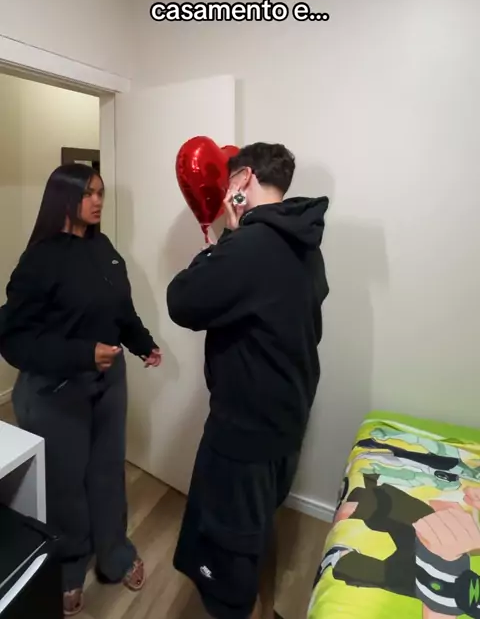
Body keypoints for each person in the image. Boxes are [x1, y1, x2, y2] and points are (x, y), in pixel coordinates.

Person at [166, 143, 329, 619]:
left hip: (244, 432)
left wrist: (224, 236)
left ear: (242, 180)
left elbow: (181, 301)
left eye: (229, 180)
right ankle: (266, 607)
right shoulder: (305, 241)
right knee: (258, 529)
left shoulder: (250, 246)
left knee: (227, 554)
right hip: (287, 419)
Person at [0, 163, 161, 616]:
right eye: (88, 193)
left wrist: (143, 343)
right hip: (56, 390)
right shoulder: (39, 259)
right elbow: (13, 340)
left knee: (108, 472)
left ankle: (114, 554)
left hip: (108, 382)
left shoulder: (104, 248)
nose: (97, 201)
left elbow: (121, 309)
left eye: (100, 193)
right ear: (64, 198)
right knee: (65, 482)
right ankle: (69, 565)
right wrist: (81, 354)